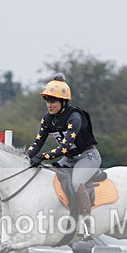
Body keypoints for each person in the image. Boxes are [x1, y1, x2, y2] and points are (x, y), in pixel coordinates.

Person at [27, 74, 101, 239]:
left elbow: (66, 146)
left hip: (87, 157)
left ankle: (87, 222)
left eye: (53, 101)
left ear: (63, 102)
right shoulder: (47, 119)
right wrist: (25, 157)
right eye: (47, 101)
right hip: (69, 159)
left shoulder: (74, 117)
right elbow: (37, 143)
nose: (49, 105)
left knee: (76, 182)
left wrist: (43, 156)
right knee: (48, 176)